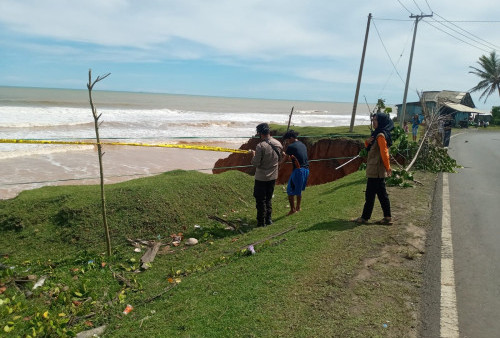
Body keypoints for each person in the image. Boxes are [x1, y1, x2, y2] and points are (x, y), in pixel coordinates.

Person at [353, 113, 393, 225]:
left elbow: (384, 152)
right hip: (375, 170)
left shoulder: (380, 135)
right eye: (373, 120)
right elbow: (370, 148)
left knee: (370, 195)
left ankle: (365, 218)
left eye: (376, 120)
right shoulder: (376, 135)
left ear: (381, 121)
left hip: (376, 170)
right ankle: (387, 217)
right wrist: (367, 142)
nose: (374, 122)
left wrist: (388, 167)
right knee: (381, 194)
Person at [250, 123, 283, 227]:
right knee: (268, 198)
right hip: (273, 176)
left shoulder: (260, 146)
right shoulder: (278, 144)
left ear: (260, 133)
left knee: (260, 200)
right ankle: (268, 219)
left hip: (261, 177)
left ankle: (260, 222)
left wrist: (253, 155)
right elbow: (280, 159)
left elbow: (255, 163)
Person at [282, 130, 309, 215]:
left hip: (298, 170)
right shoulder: (302, 145)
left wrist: (277, 164)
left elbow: (285, 160)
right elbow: (295, 158)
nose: (287, 142)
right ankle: (298, 207)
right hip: (306, 170)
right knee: (298, 189)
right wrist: (286, 154)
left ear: (291, 138)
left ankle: (292, 210)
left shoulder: (291, 147)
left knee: (290, 190)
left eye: (287, 140)